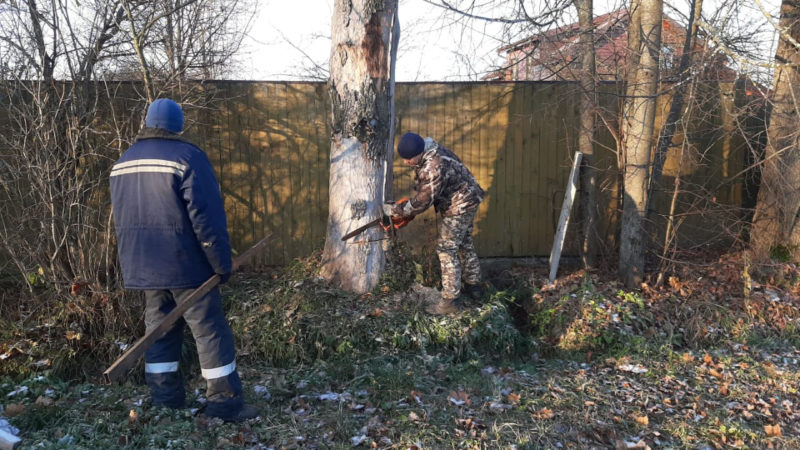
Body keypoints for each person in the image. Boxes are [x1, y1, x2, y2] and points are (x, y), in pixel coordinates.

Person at [109, 98, 258, 422]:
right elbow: (206, 218)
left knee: (159, 332)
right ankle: (224, 404)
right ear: (179, 126)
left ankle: (166, 401)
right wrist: (220, 263)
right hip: (187, 267)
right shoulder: (187, 157)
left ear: (147, 122)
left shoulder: (122, 162)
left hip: (144, 267)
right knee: (209, 333)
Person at [389, 132, 485, 315]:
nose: (406, 162)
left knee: (446, 249)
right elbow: (426, 189)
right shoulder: (431, 151)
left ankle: (449, 302)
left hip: (460, 204)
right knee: (464, 244)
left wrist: (398, 210)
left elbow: (424, 201)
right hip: (470, 197)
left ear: (418, 152)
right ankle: (475, 288)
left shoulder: (433, 166)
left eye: (409, 159)